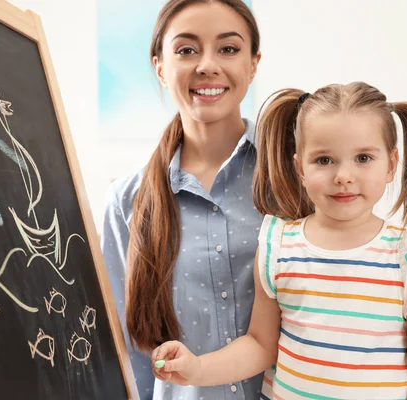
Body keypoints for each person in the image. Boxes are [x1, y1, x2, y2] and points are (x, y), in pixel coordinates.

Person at [151, 82, 407, 399]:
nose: (343, 176)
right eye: (324, 160)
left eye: (363, 158)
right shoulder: (278, 244)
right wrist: (198, 368)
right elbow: (259, 345)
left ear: (391, 165)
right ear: (300, 168)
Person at [101, 0, 264, 398]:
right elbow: (128, 351)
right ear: (159, 66)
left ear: (253, 63)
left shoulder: (296, 176)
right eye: (186, 50)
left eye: (228, 48)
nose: (207, 65)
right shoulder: (128, 202)